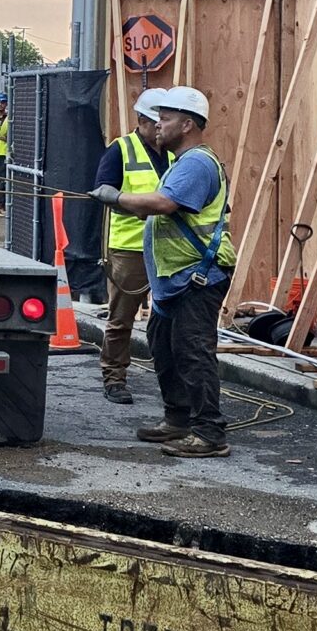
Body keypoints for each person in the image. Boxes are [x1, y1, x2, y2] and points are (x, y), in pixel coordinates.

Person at [91, 85, 237, 458]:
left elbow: (165, 203)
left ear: (187, 124)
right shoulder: (180, 161)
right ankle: (178, 419)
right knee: (164, 345)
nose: (158, 125)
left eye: (166, 119)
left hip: (197, 276)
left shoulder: (196, 163)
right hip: (175, 279)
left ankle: (208, 433)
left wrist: (116, 198)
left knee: (192, 351)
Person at [92, 103, 164, 407]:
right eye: (157, 123)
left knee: (166, 320)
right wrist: (135, 205)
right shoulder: (121, 149)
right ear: (142, 121)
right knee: (121, 319)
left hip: (166, 248)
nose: (161, 129)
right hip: (130, 248)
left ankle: (169, 378)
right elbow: (103, 190)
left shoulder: (175, 152)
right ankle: (114, 377)